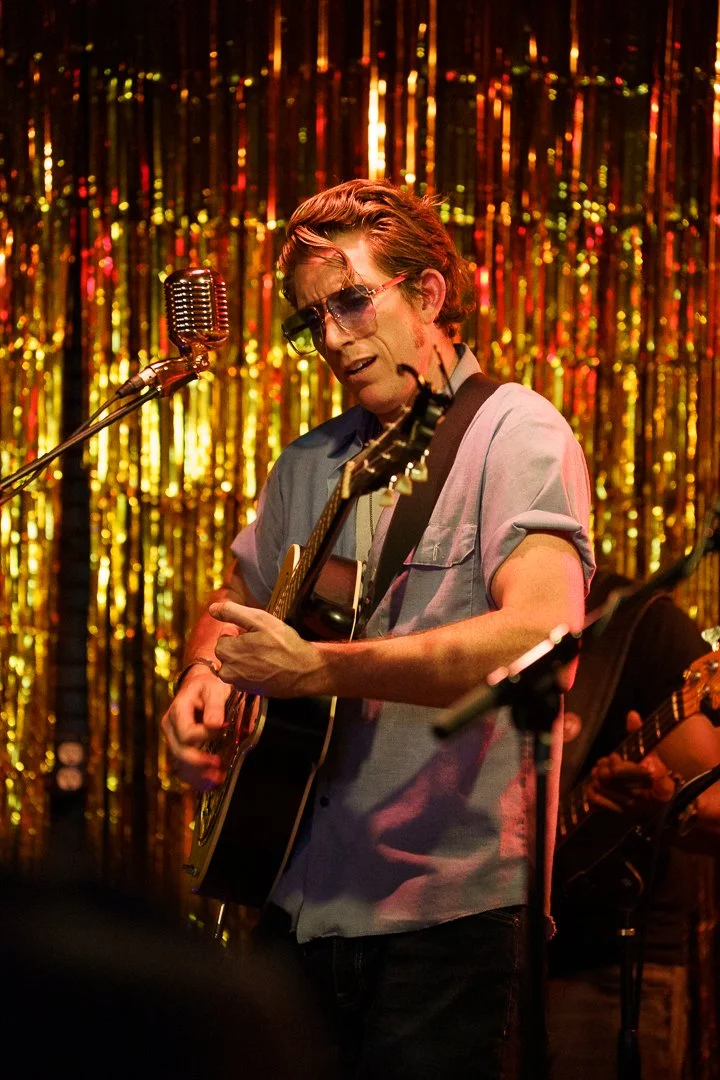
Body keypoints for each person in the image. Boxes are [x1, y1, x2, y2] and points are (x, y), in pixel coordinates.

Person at [162, 178, 595, 1079]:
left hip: (444, 916)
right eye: (312, 318)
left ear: (428, 294)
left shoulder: (514, 436)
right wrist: (202, 677)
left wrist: (317, 669)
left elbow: (539, 635)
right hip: (297, 896)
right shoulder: (307, 464)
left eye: (352, 300)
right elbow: (232, 599)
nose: (331, 337)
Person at [547, 570, 720, 1080]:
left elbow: (714, 802)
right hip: (490, 962)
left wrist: (667, 804)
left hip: (603, 976)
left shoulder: (642, 624)